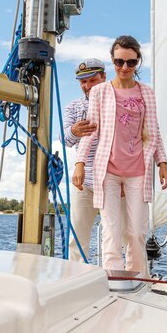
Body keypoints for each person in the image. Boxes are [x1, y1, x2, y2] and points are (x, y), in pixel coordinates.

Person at [73, 35, 167, 275]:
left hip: (139, 169)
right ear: (112, 62)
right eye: (119, 62)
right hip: (108, 170)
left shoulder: (146, 93)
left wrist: (163, 162)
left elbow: (153, 130)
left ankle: (139, 279)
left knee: (136, 232)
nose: (125, 68)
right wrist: (79, 163)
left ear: (138, 62)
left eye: (130, 63)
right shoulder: (100, 93)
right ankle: (114, 281)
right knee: (111, 230)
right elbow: (91, 130)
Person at [63, 58, 106, 261]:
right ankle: (76, 280)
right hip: (84, 182)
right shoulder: (73, 107)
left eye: (92, 80)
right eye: (83, 82)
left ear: (103, 77)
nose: (87, 86)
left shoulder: (116, 103)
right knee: (77, 238)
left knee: (122, 236)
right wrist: (74, 130)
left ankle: (133, 280)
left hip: (113, 179)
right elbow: (65, 140)